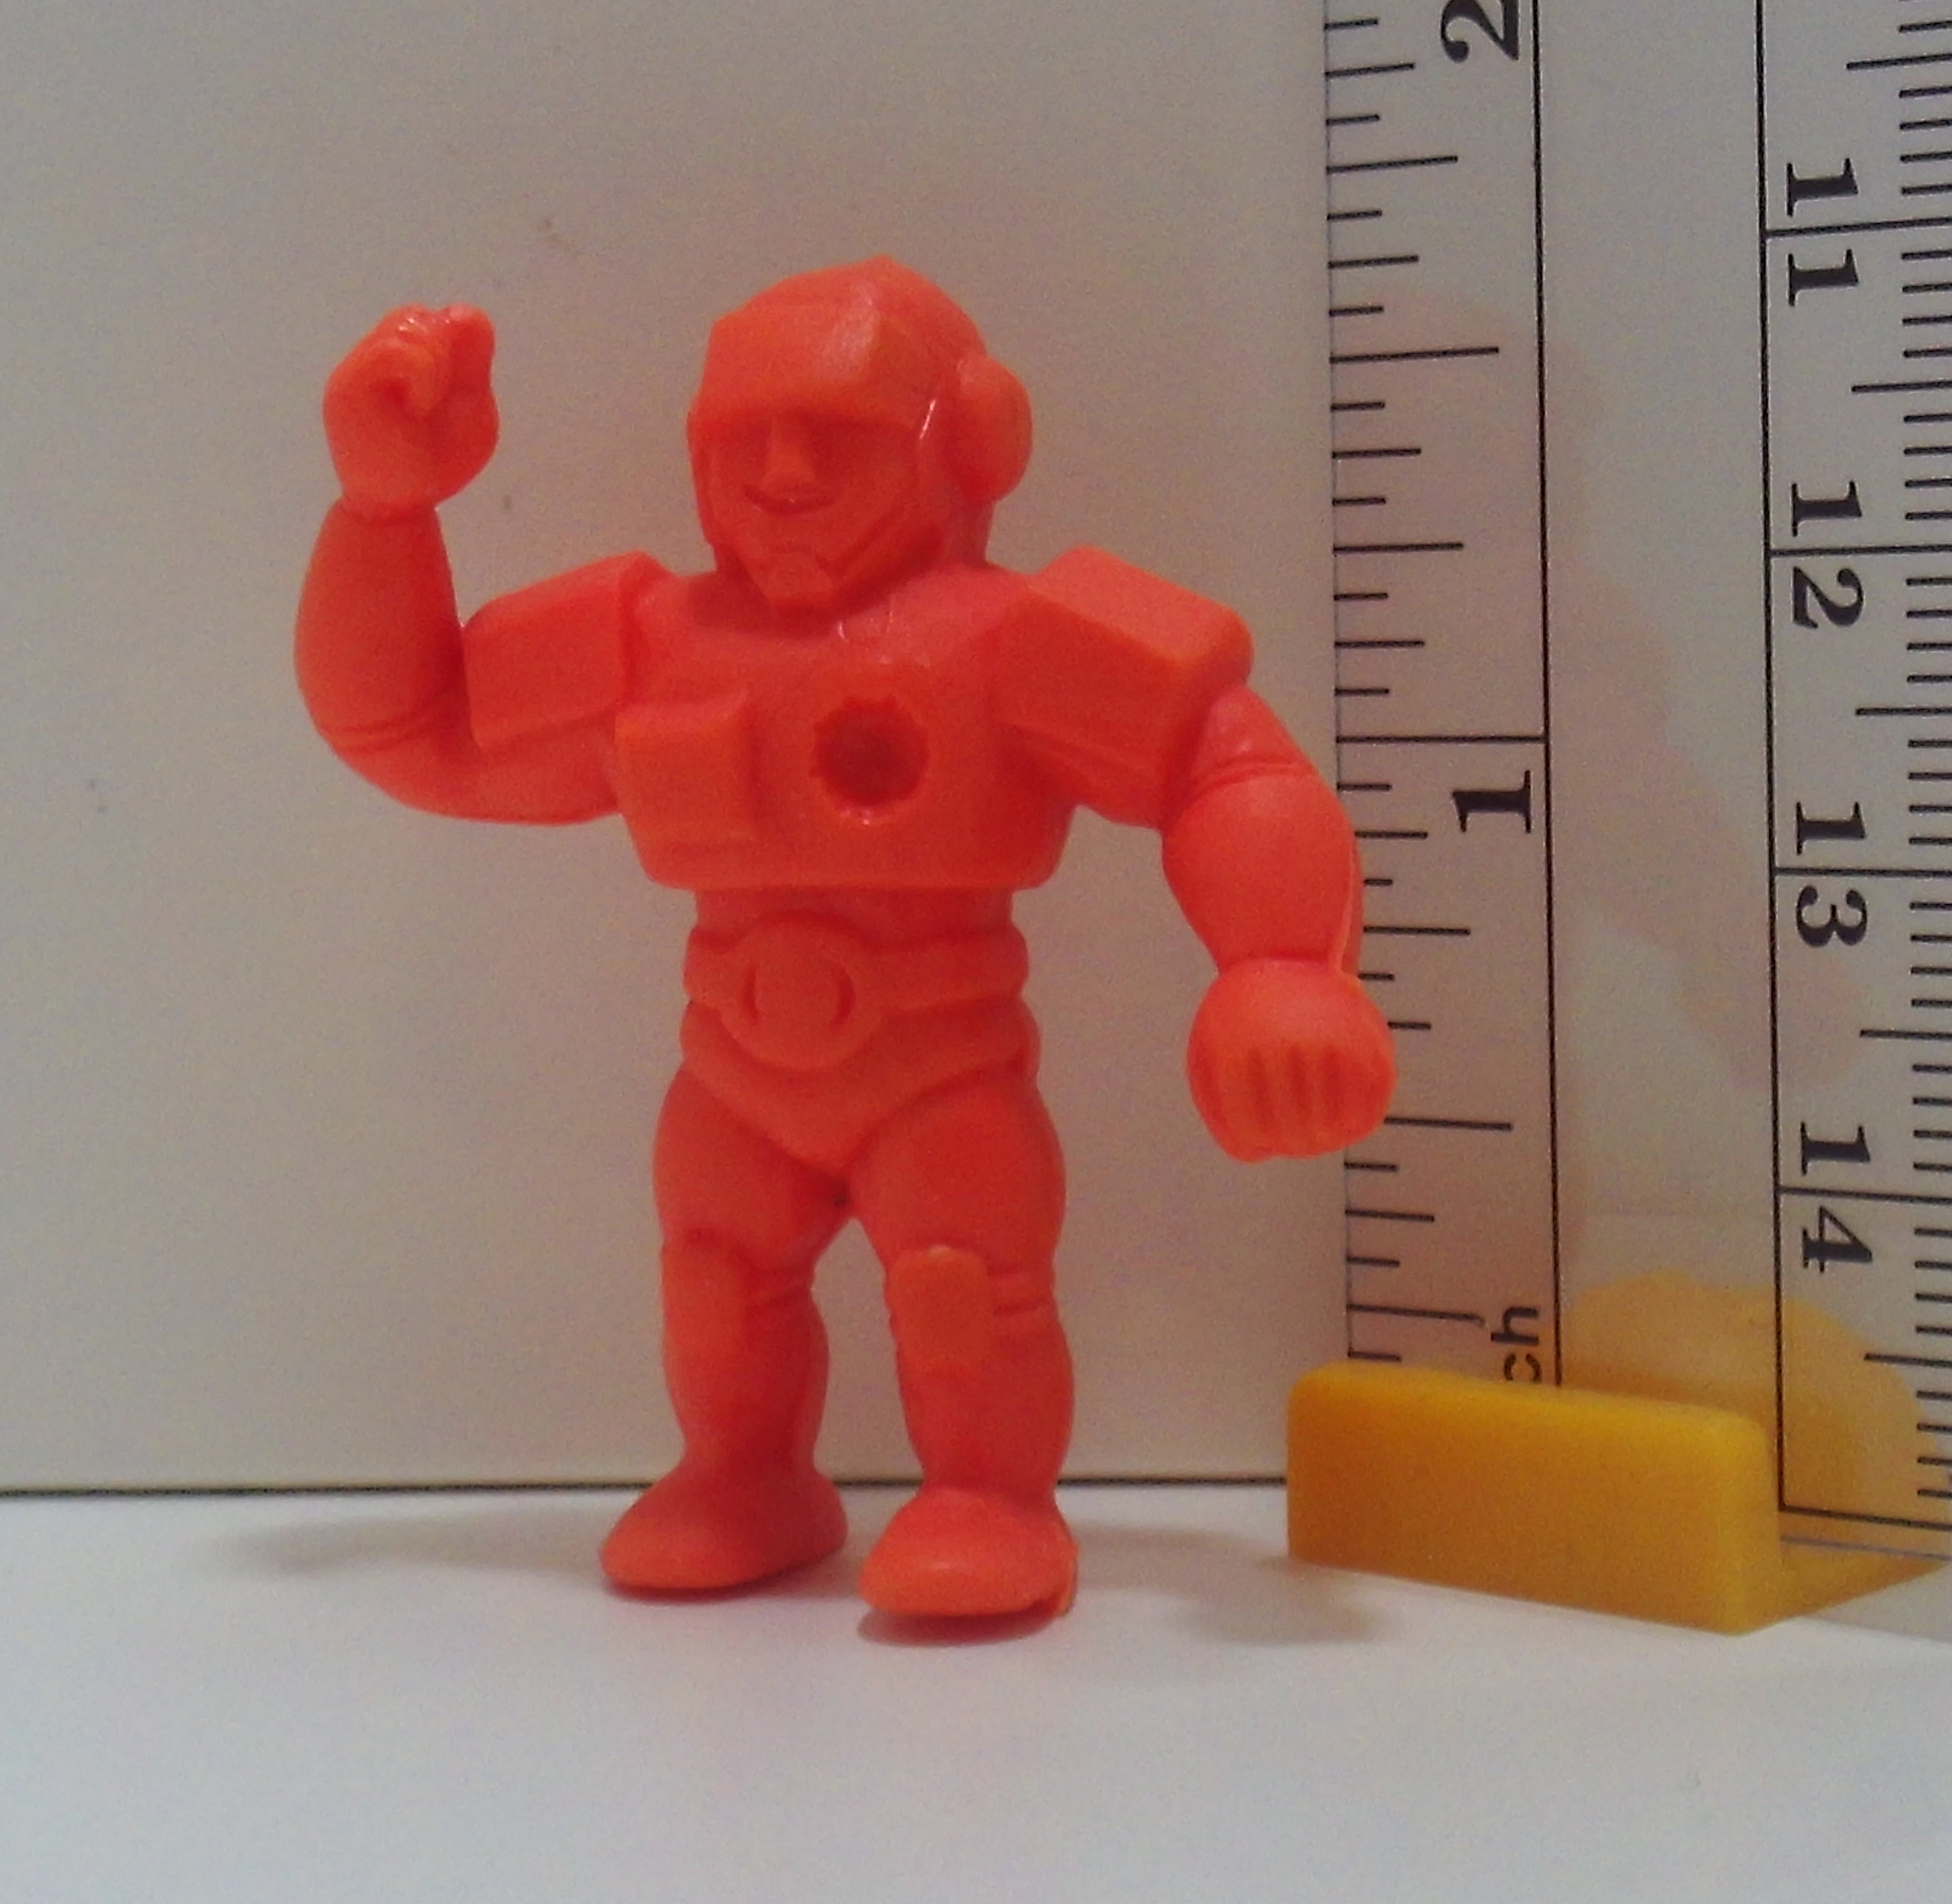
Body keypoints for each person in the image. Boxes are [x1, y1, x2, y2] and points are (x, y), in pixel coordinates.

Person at [298, 258, 1392, 1619]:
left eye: (840, 437)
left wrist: (1279, 964)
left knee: (962, 1291)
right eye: (742, 441)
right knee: (715, 1284)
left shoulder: (1019, 638)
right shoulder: (649, 637)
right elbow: (415, 727)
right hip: (732, 1072)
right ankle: (740, 1475)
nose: (785, 476)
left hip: (942, 1070)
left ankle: (989, 1499)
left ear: (970, 445)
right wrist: (383, 514)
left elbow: (1226, 764)